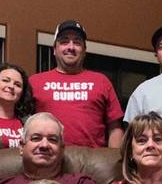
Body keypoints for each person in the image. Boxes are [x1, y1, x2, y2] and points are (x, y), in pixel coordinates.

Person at [29, 20, 124, 148]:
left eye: (77, 42)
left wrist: (113, 158)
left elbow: (115, 127)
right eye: (64, 41)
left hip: (91, 158)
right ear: (54, 49)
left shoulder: (101, 81)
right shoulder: (35, 82)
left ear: (84, 51)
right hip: (47, 154)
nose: (71, 47)